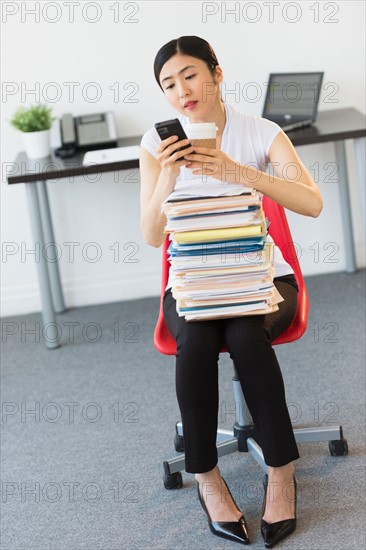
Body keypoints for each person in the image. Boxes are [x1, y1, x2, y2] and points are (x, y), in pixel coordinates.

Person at [140, 36, 323, 548]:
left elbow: (311, 202)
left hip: (263, 277)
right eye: (169, 84)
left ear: (217, 74)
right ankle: (207, 477)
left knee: (245, 336)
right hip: (194, 282)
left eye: (190, 75)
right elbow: (154, 234)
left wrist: (236, 171)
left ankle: (282, 472)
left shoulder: (261, 132)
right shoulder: (155, 148)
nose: (182, 91)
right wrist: (171, 172)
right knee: (196, 341)